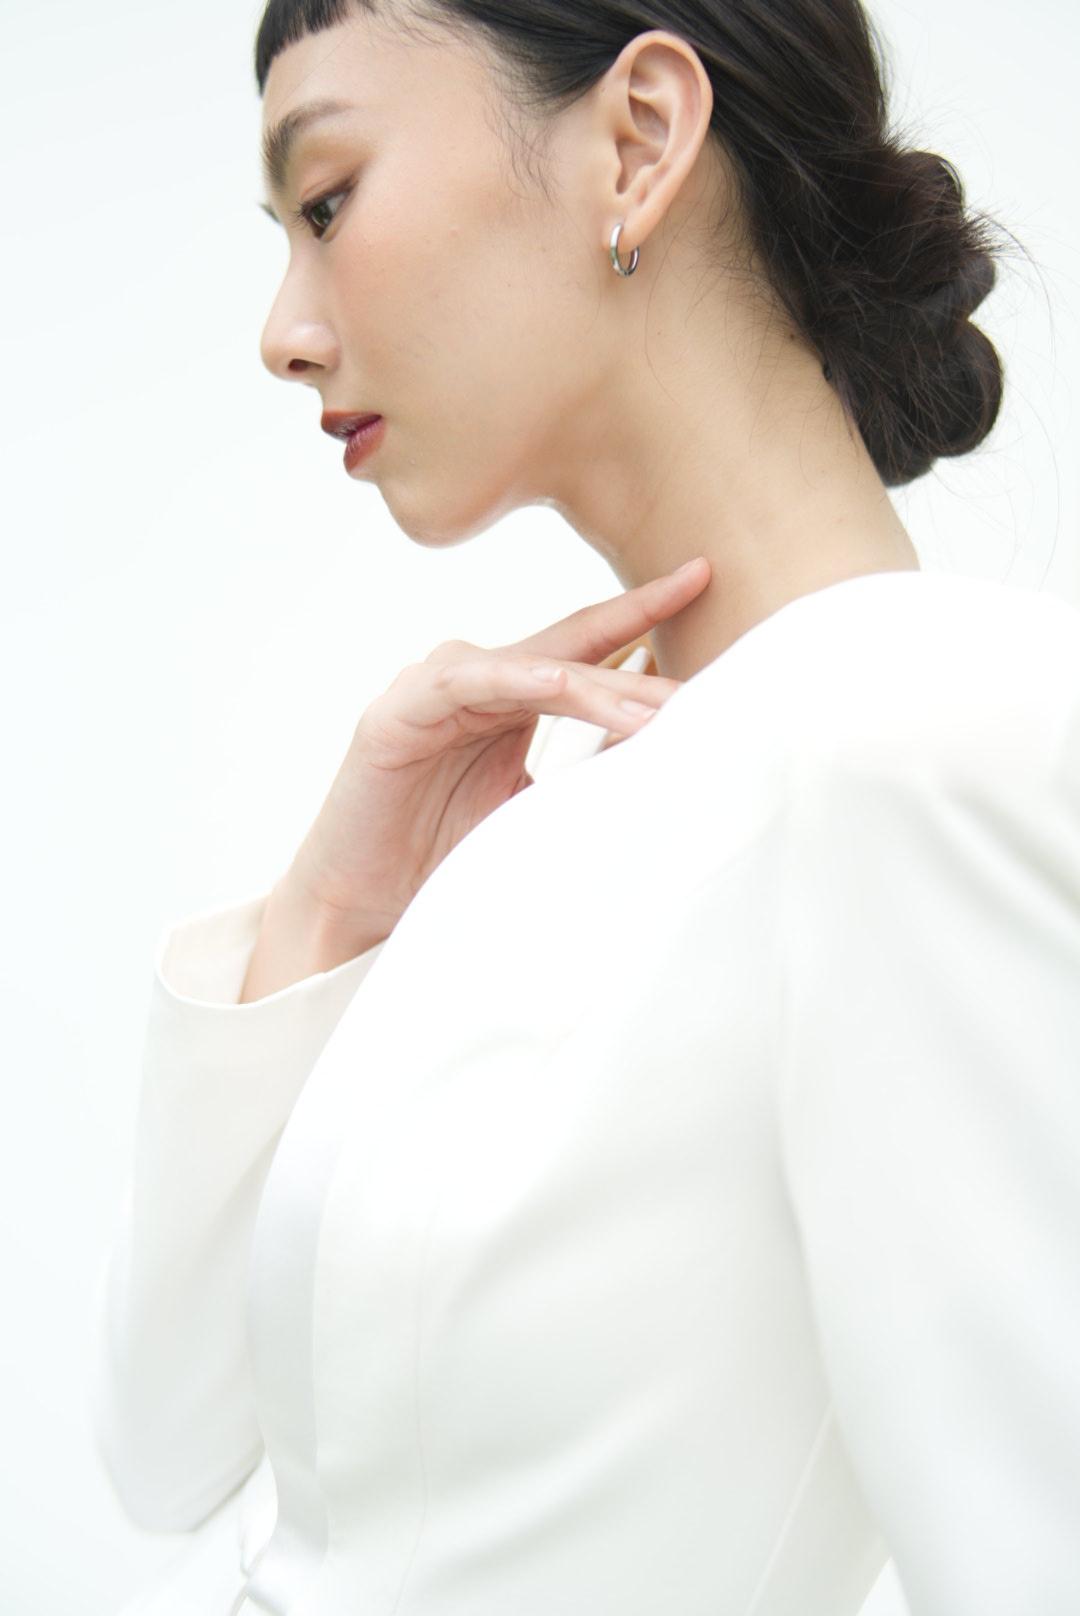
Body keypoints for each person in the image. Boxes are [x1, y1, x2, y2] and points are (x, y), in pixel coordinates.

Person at [88, 1, 1080, 1613]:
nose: (283, 333)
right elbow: (166, 1447)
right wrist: (329, 913)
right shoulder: (550, 818)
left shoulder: (920, 740)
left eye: (326, 202)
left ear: (639, 140)